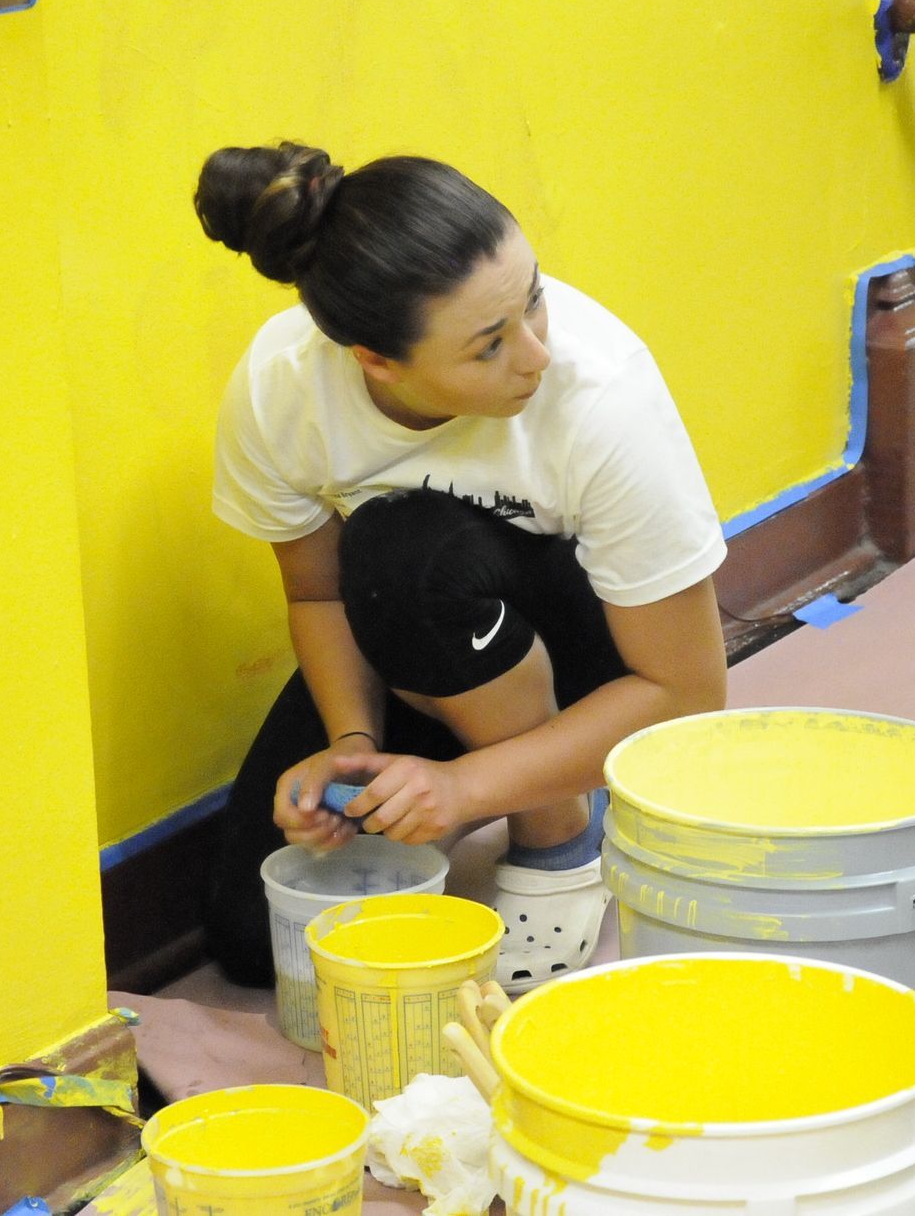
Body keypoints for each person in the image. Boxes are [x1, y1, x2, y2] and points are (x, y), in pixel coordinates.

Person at [194, 142, 728, 993]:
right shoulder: (282, 385)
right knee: (257, 942)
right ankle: (461, 772)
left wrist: (467, 786)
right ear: (374, 359)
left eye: (536, 299)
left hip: (590, 656)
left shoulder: (601, 397)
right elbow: (320, 590)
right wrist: (354, 747)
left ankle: (559, 832)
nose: (537, 354)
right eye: (489, 345)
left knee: (411, 553)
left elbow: (690, 690)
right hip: (414, 637)